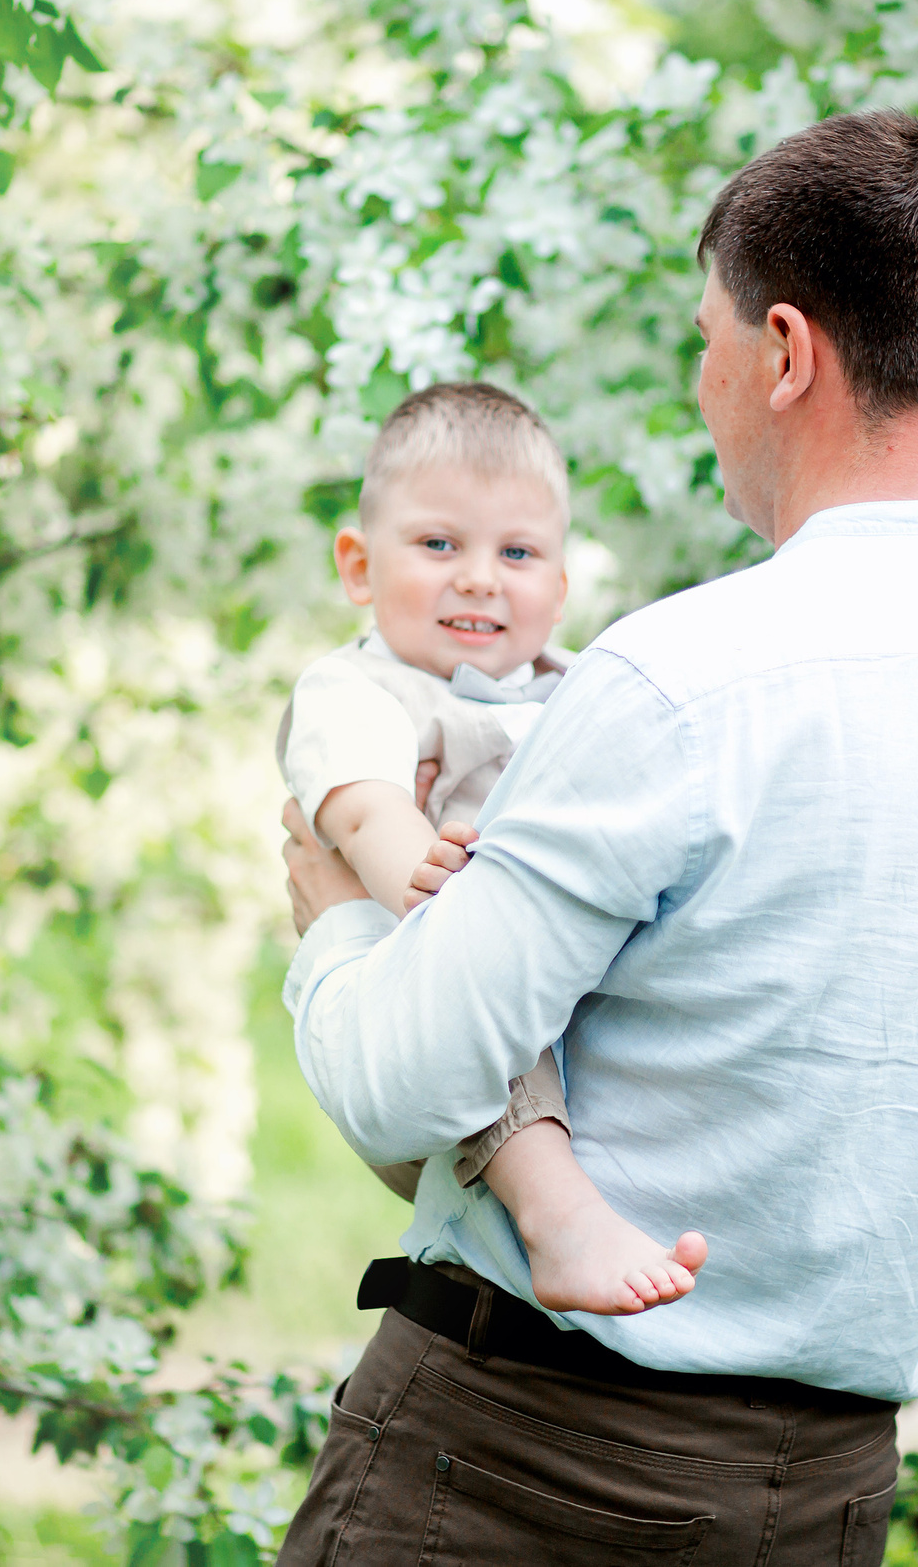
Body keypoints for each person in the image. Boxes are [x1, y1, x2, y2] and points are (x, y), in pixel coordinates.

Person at [276, 110, 918, 1565]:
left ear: (787, 352)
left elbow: (407, 1078)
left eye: (708, 339)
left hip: (519, 1468)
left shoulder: (685, 681)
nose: (704, 383)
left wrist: (336, 921)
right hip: (826, 1496)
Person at [275, 378, 709, 1314]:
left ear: (557, 587)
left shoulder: (583, 686)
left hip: (583, 987)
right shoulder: (361, 688)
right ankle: (555, 1216)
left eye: (515, 552)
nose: (478, 576)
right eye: (438, 544)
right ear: (358, 567)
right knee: (488, 989)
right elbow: (361, 807)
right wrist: (419, 879)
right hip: (439, 992)